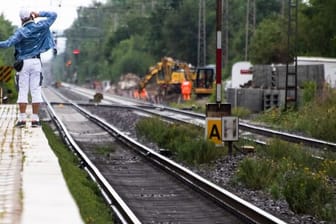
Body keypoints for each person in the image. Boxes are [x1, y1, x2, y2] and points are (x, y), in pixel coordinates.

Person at [0, 9, 57, 128]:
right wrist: (39, 14)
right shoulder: (41, 26)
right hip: (36, 62)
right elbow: (53, 15)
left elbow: (7, 44)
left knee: (23, 91)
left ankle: (21, 120)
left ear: (21, 19)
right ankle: (35, 120)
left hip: (23, 64)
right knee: (36, 91)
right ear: (31, 16)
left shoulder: (21, 32)